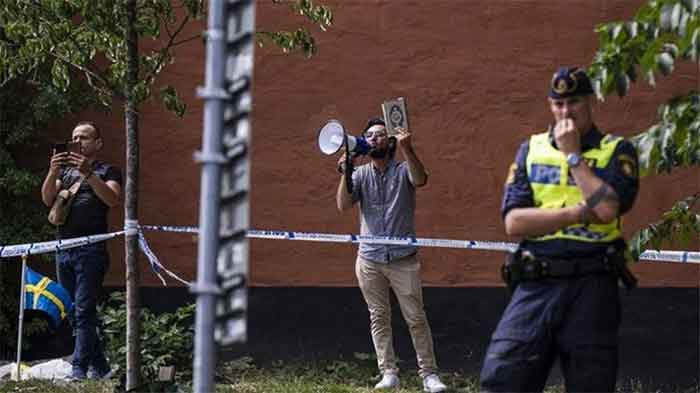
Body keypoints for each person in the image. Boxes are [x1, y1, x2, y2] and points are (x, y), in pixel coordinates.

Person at [479, 67, 640, 392]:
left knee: (590, 384)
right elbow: (513, 222)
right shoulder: (531, 149)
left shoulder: (616, 150)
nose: (566, 112)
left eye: (574, 103)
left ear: (589, 102)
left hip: (592, 284)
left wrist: (573, 156)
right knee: (502, 379)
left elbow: (608, 210)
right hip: (537, 281)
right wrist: (580, 212)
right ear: (550, 105)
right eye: (559, 104)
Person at [336, 117, 447, 392]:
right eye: (370, 135)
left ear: (391, 142)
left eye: (380, 135)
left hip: (402, 259)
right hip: (369, 258)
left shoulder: (402, 170)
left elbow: (420, 179)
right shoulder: (360, 174)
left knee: (416, 318)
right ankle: (388, 372)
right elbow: (342, 205)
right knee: (378, 317)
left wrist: (409, 148)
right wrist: (344, 173)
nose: (374, 139)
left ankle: (429, 374)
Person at [41, 121, 122, 380]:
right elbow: (47, 200)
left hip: (91, 250)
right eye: (75, 137)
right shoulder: (64, 173)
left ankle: (79, 369)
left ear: (97, 143)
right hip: (64, 249)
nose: (78, 141)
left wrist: (89, 174)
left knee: (84, 309)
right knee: (75, 310)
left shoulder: (108, 170)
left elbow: (112, 199)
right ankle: (101, 368)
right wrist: (53, 172)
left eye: (84, 137)